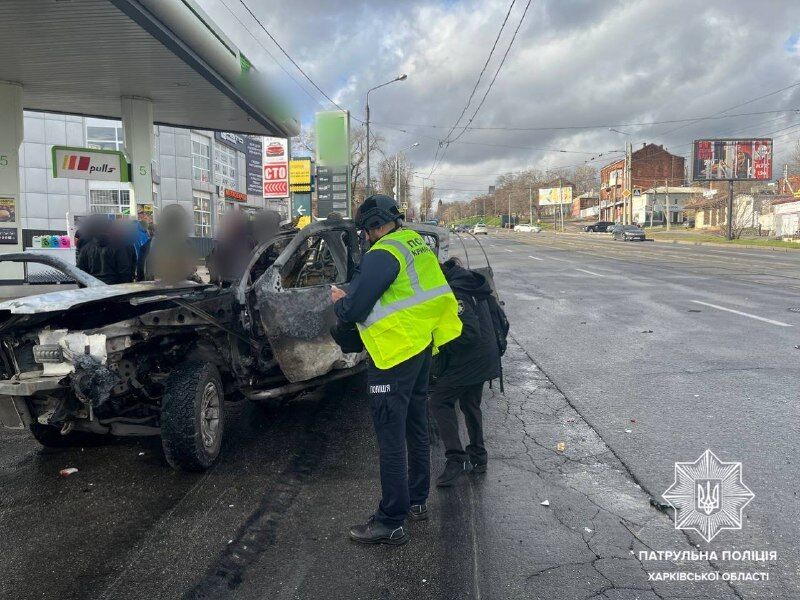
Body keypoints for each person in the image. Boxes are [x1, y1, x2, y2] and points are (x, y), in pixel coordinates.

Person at [331, 195, 462, 546]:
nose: (366, 237)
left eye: (366, 231)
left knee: (390, 437)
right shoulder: (414, 243)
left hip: (393, 354)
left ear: (372, 227)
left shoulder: (382, 254)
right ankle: (417, 499)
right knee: (415, 424)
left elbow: (354, 308)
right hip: (419, 346)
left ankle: (390, 520)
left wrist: (339, 301)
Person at [429, 257, 501, 486]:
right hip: (486, 356)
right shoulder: (468, 282)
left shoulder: (456, 292)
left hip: (471, 360)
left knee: (439, 401)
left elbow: (468, 333)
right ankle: (479, 457)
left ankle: (455, 459)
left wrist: (440, 345)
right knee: (470, 404)